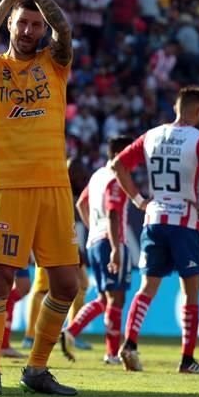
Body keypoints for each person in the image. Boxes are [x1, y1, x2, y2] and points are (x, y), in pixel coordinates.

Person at [0, 0, 78, 396]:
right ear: (10, 24)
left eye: (36, 24)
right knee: (1, 278)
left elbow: (65, 31)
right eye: (23, 22)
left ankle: (35, 369)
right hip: (9, 186)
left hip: (54, 184)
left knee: (67, 286)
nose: (30, 29)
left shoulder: (55, 64)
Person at [111, 86, 199, 374]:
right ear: (198, 111)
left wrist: (139, 200)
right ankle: (187, 360)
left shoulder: (151, 135)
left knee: (146, 288)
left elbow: (118, 165)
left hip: (154, 218)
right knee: (191, 292)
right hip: (185, 221)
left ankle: (130, 344)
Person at [60, 136, 134, 365]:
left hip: (94, 241)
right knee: (116, 299)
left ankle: (71, 331)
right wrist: (114, 246)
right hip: (111, 241)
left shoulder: (97, 176)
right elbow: (113, 213)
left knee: (104, 298)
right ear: (121, 153)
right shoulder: (117, 177)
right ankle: (111, 354)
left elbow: (81, 204)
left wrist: (94, 230)